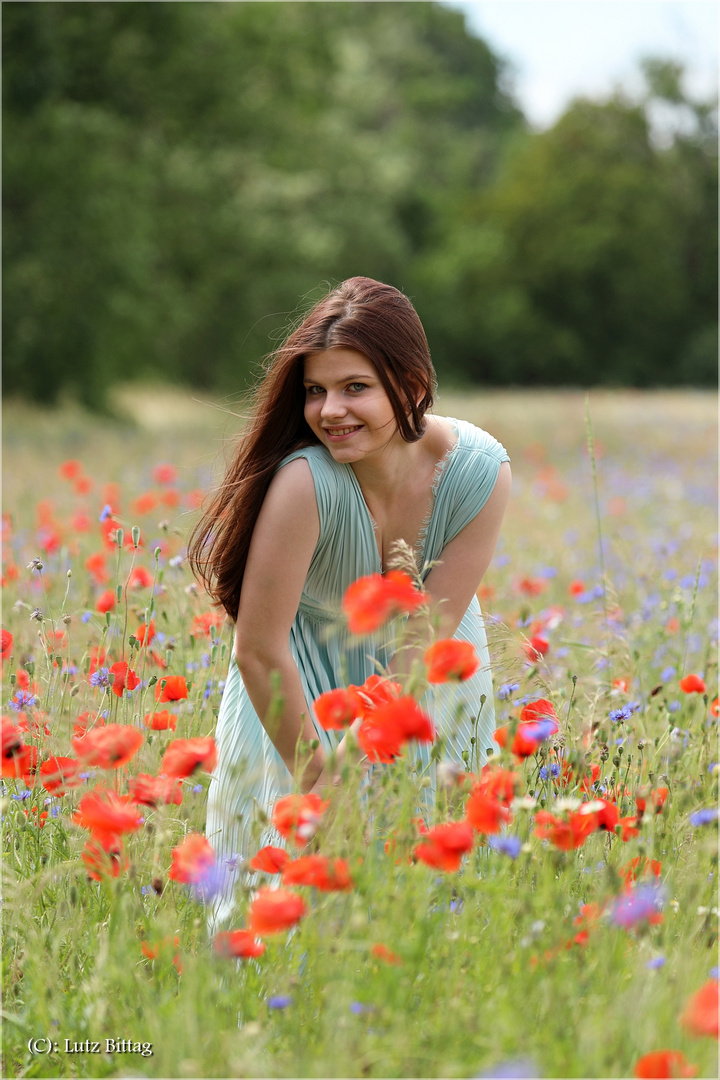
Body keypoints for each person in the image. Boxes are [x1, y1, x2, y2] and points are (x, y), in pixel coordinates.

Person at [188, 277, 510, 923]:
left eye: (354, 387)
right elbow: (256, 650)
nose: (329, 410)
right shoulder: (304, 484)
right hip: (294, 690)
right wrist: (323, 783)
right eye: (315, 390)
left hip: (423, 686)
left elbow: (422, 648)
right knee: (275, 905)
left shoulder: (480, 471)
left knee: (423, 901)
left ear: (412, 386)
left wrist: (372, 772)